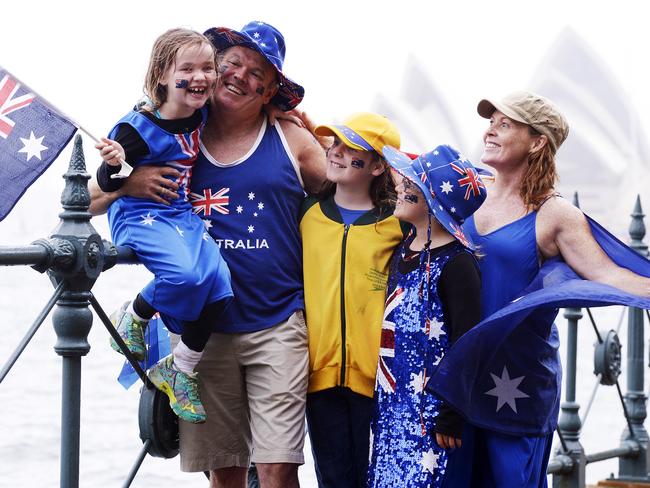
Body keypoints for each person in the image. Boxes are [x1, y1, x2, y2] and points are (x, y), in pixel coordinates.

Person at [90, 20, 327, 488]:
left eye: (256, 71)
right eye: (231, 63)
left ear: (271, 89)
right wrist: (133, 182)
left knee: (280, 467)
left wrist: (313, 125)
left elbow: (343, 188)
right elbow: (88, 198)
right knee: (224, 470)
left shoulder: (290, 138)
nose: (240, 74)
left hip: (277, 322)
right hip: (205, 333)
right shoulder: (178, 131)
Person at [427, 91, 650, 487]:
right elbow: (394, 177)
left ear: (537, 141)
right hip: (460, 381)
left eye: (505, 124)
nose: (490, 130)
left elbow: (608, 275)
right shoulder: (469, 190)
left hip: (517, 385)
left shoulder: (554, 213)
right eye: (490, 122)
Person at [95, 28, 233, 424]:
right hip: (141, 216)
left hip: (179, 216)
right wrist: (116, 164)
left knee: (221, 286)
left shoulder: (200, 113)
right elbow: (107, 184)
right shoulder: (135, 129)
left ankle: (181, 368)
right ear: (161, 75)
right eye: (186, 68)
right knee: (187, 276)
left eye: (208, 67)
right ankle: (134, 316)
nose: (200, 76)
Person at [366, 145, 484, 488]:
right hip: (392, 406)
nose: (401, 189)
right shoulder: (405, 248)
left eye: (412, 186)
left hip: (430, 414)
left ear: (433, 203)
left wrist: (452, 413)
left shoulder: (458, 265)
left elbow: (468, 342)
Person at [300, 112, 406, 488]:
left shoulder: (398, 224)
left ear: (378, 165)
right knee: (333, 479)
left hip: (379, 379)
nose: (338, 152)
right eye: (336, 144)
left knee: (379, 478)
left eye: (353, 149)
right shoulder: (307, 213)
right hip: (319, 376)